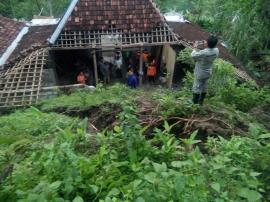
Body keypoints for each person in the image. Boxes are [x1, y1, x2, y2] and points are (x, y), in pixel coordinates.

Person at [191, 35, 219, 105]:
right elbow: (209, 50)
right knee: (204, 86)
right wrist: (207, 44)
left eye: (206, 41)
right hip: (208, 71)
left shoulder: (204, 52)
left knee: (197, 86)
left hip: (200, 72)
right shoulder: (216, 50)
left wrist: (195, 47)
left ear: (207, 43)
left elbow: (193, 55)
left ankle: (194, 103)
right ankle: (201, 102)